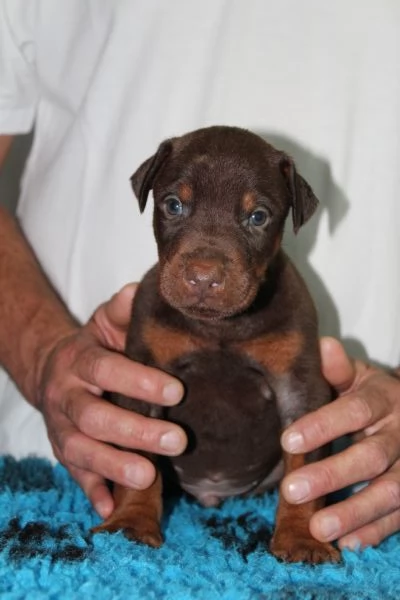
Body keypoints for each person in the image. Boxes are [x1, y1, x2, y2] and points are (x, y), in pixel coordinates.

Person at [0, 0, 399, 552]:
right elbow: (137, 404)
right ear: (149, 197)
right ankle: (140, 509)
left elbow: (304, 414)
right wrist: (43, 354)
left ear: (290, 218)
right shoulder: (152, 307)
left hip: (311, 478)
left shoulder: (289, 312)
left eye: (256, 217)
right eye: (176, 207)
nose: (206, 266)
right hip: (67, 465)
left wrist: (301, 522)